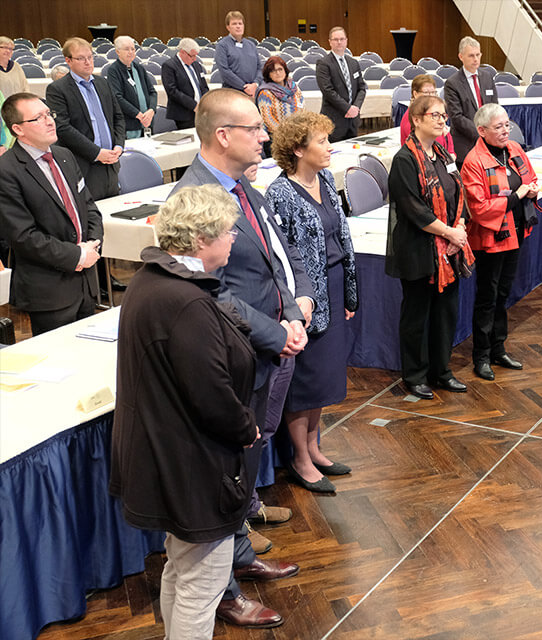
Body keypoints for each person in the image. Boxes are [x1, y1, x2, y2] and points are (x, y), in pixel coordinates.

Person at [172, 88, 313, 628]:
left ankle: (241, 557)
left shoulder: (242, 186)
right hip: (235, 356)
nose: (266, 136)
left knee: (245, 463)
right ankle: (223, 590)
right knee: (225, 473)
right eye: (255, 128)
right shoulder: (194, 196)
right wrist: (275, 331)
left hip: (269, 344)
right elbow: (210, 290)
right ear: (223, 136)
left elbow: (273, 254)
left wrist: (296, 309)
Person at [110, 185, 267, 638]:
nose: (234, 238)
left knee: (181, 570)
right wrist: (246, 427)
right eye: (227, 232)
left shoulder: (151, 280)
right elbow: (212, 394)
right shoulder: (187, 302)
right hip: (191, 466)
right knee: (204, 584)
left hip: (165, 458)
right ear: (200, 240)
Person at [265, 112, 358, 493]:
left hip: (334, 288)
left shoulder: (324, 179)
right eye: (321, 141)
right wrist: (292, 306)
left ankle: (314, 446)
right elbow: (280, 258)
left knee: (324, 376)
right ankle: (299, 457)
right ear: (298, 149)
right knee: (303, 381)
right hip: (305, 300)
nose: (329, 147)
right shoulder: (279, 193)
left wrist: (350, 291)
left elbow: (342, 237)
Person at [386, 94, 473, 399]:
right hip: (419, 250)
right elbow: (415, 210)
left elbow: (459, 195)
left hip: (449, 248)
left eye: (443, 115)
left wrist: (459, 228)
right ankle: (415, 375)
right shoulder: (404, 160)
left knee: (445, 314)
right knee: (417, 317)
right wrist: (450, 233)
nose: (441, 120)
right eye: (434, 115)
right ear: (417, 119)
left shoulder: (443, 155)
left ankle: (441, 371)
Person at [0, 92, 102, 335]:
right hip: (49, 291)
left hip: (86, 281)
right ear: (18, 129)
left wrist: (93, 245)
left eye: (49, 114)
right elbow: (23, 237)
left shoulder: (64, 156)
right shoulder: (7, 171)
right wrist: (76, 255)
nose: (49, 121)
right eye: (39, 118)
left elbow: (88, 206)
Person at [461, 103, 539, 380]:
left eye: (507, 124)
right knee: (487, 297)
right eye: (499, 127)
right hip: (490, 239)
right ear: (482, 131)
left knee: (503, 295)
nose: (506, 130)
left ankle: (498, 348)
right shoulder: (474, 161)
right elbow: (481, 209)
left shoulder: (514, 150)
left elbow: (529, 178)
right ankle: (481, 356)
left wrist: (531, 189)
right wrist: (517, 195)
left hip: (515, 232)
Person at [45, 37, 125, 200]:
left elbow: (118, 117)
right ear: (68, 60)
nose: (88, 62)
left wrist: (119, 145)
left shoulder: (103, 83)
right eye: (81, 58)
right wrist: (96, 153)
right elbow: (63, 128)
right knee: (92, 216)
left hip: (111, 162)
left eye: (90, 57)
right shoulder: (57, 89)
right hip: (84, 164)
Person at [444, 36, 498, 166]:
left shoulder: (487, 77)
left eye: (478, 55)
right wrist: (482, 132)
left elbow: (494, 107)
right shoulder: (452, 83)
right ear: (461, 56)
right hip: (465, 145)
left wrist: (491, 131)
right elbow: (457, 117)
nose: (475, 59)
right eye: (471, 56)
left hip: (489, 144)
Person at [315, 26, 366, 142]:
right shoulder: (323, 63)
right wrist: (347, 108)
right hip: (334, 120)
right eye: (335, 39)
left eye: (342, 39)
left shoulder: (353, 63)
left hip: (353, 120)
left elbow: (362, 88)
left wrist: (355, 108)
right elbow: (328, 91)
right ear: (330, 42)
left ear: (346, 41)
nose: (339, 42)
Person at [106, 36, 157, 139]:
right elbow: (117, 97)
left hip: (147, 122)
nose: (131, 52)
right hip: (130, 124)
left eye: (133, 49)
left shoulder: (139, 68)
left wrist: (151, 110)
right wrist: (138, 114)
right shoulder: (114, 70)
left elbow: (152, 92)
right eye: (126, 49)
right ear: (118, 52)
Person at [256, 56, 303, 156]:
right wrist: (286, 135)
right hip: (277, 140)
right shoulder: (265, 93)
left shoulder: (294, 87)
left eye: (280, 69)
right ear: (268, 74)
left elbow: (302, 109)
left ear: (285, 70)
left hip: (297, 136)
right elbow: (268, 119)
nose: (277, 73)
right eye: (273, 71)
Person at [161, 38, 209, 130]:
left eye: (196, 56)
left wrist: (205, 103)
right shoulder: (169, 66)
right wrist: (193, 105)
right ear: (183, 52)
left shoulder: (197, 65)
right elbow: (172, 91)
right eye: (192, 56)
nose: (194, 59)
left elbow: (204, 86)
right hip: (183, 113)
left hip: (201, 112)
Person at [400, 74, 453, 154]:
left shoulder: (435, 114)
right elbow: (422, 147)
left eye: (433, 92)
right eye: (426, 93)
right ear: (415, 94)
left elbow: (447, 135)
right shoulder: (411, 117)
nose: (431, 96)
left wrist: (451, 153)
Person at [215, 10, 259, 97]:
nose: (238, 26)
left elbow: (259, 67)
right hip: (232, 93)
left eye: (240, 23)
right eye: (234, 24)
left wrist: (256, 84)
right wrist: (244, 87)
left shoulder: (251, 45)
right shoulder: (222, 45)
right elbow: (224, 71)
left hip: (252, 92)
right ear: (228, 27)